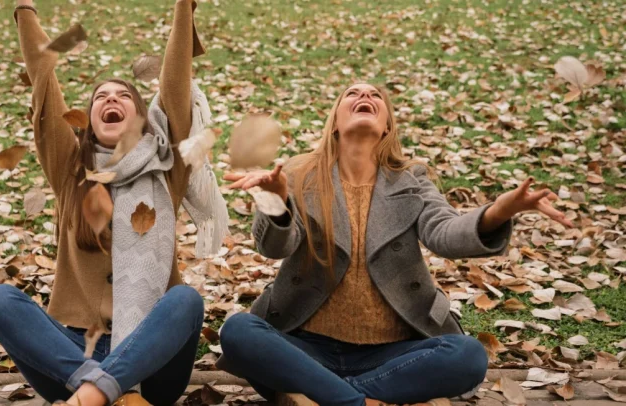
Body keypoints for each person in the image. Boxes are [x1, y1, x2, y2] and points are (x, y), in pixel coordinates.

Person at [219, 83, 573, 406]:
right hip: (307, 347)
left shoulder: (410, 179)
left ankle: (320, 395)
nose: (364, 98)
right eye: (352, 94)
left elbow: (445, 233)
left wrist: (499, 211)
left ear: (386, 125)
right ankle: (366, 400)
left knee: (468, 355)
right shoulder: (298, 174)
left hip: (393, 353)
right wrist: (275, 202)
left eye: (375, 96)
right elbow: (276, 248)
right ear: (335, 124)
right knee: (238, 331)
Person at [0, 1, 228, 405]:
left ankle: (96, 394)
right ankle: (109, 391)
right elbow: (43, 79)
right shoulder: (69, 167)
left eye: (122, 96)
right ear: (88, 117)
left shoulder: (168, 167)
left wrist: (184, 8)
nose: (110, 100)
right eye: (100, 98)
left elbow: (175, 82)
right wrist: (25, 9)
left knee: (185, 300)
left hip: (153, 357)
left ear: (143, 116)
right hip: (74, 355)